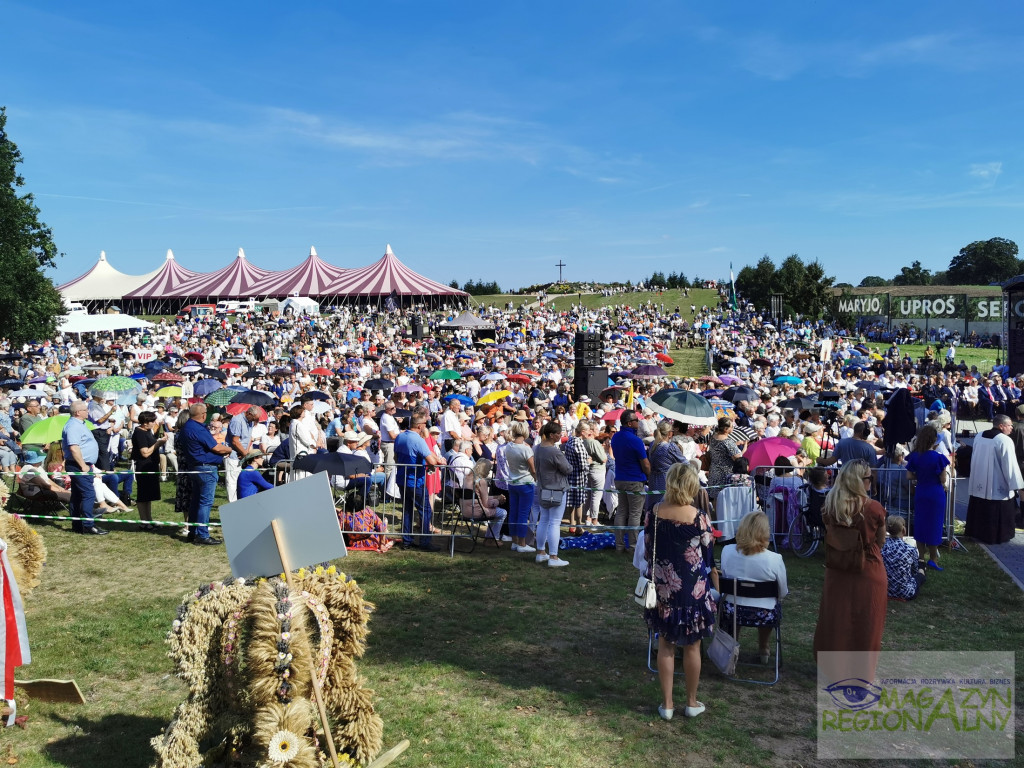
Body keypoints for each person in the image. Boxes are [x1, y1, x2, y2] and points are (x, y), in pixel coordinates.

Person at [644, 463, 718, 721]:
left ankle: (666, 705)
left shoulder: (654, 511)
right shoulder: (698, 516)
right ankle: (691, 701)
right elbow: (708, 556)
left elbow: (647, 547)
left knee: (665, 645)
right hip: (692, 591)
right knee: (692, 647)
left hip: (663, 588)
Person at [813, 460, 887, 685]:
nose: (870, 482)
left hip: (838, 568)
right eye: (868, 478)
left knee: (837, 619)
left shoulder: (830, 505)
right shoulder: (873, 508)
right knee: (867, 622)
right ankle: (861, 672)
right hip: (868, 569)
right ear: (859, 481)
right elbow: (881, 541)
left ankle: (832, 667)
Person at [719, 512, 788, 664]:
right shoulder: (775, 559)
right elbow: (782, 592)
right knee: (770, 606)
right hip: (764, 613)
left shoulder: (727, 551)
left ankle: (731, 647)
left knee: (733, 605)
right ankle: (764, 647)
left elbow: (724, 576)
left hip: (732, 609)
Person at [966, 414, 1024, 544]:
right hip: (997, 483)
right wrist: (1016, 484)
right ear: (1001, 426)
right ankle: (997, 536)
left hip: (979, 482)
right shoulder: (1004, 440)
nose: (1012, 428)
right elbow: (1010, 464)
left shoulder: (979, 436)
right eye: (1010, 425)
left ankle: (976, 532)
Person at [179, 402, 231, 545]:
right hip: (206, 468)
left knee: (196, 501)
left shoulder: (186, 427)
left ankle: (193, 532)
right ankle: (202, 535)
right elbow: (216, 448)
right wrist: (229, 450)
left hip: (194, 467)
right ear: (203, 415)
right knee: (205, 502)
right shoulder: (198, 429)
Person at [394, 413, 446, 551]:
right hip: (415, 481)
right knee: (426, 510)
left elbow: (395, 457)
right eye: (425, 425)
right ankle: (425, 542)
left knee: (407, 510)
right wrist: (437, 461)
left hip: (401, 479)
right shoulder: (418, 440)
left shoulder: (400, 436)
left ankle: (407, 541)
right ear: (420, 426)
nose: (426, 427)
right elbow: (431, 461)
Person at [905, 423, 949, 571]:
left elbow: (909, 475)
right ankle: (934, 559)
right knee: (934, 525)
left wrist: (919, 477)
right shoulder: (939, 458)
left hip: (922, 491)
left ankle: (921, 558)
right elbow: (943, 479)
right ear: (934, 440)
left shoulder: (915, 456)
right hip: (935, 493)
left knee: (921, 524)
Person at [61, 400, 106, 535]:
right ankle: (88, 524)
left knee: (77, 495)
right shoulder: (73, 426)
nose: (88, 412)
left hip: (82, 465)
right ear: (78, 412)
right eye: (85, 410)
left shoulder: (80, 424)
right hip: (79, 466)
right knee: (88, 494)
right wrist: (83, 466)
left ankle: (78, 524)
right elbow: (74, 448)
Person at [611, 409, 650, 553]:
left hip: (620, 477)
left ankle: (619, 545)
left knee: (621, 511)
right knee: (634, 513)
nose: (638, 422)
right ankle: (633, 547)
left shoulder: (615, 437)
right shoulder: (636, 440)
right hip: (634, 479)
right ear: (629, 423)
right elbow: (645, 464)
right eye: (636, 420)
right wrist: (650, 474)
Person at [533, 420, 571, 567]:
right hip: (556, 489)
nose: (560, 436)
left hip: (542, 488)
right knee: (554, 522)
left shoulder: (537, 448)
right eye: (558, 434)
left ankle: (541, 552)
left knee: (544, 520)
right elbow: (567, 469)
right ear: (551, 435)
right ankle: (553, 557)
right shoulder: (554, 451)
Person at [505, 419, 537, 554]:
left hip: (512, 483)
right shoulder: (526, 449)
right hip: (526, 483)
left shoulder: (508, 446)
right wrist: (536, 478)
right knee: (523, 514)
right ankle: (522, 544)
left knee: (514, 512)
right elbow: (533, 469)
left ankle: (514, 541)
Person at [131, 410, 167, 531]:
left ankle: (149, 519)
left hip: (151, 465)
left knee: (149, 496)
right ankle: (143, 521)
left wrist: (160, 442)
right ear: (145, 422)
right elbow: (145, 452)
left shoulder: (147, 431)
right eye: (152, 421)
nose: (154, 423)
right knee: (143, 495)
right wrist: (158, 444)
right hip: (143, 466)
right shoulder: (139, 433)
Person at [460, 458, 508, 547]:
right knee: (503, 512)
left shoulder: (467, 478)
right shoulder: (481, 481)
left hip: (465, 511)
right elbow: (486, 504)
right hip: (477, 512)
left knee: (496, 512)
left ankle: (488, 538)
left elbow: (480, 498)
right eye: (489, 469)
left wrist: (495, 497)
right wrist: (498, 500)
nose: (489, 472)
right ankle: (493, 538)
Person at [881, 515, 926, 600]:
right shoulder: (910, 549)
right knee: (921, 572)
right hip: (905, 592)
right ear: (904, 530)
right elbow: (914, 570)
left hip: (885, 590)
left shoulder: (881, 546)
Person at [225, 405, 262, 503]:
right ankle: (232, 505)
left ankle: (239, 503)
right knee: (232, 482)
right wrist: (244, 453)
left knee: (239, 481)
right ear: (249, 414)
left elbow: (248, 438)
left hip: (241, 455)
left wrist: (245, 452)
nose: (256, 421)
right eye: (255, 418)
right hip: (233, 455)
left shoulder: (250, 422)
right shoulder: (237, 421)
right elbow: (235, 441)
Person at [563, 421, 590, 535]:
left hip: (570, 475)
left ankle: (571, 524)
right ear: (583, 432)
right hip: (578, 476)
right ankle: (579, 526)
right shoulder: (578, 443)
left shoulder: (570, 440)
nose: (589, 433)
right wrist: (589, 461)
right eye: (588, 431)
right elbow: (583, 465)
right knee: (579, 503)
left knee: (571, 502)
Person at [706, 416, 742, 499]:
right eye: (731, 426)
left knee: (715, 497)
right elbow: (737, 457)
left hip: (714, 471)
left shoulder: (713, 437)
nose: (733, 428)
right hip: (725, 473)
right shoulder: (727, 441)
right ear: (726, 429)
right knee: (724, 498)